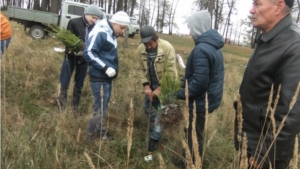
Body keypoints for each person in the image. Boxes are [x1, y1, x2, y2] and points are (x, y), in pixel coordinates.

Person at [234, 0, 300, 168]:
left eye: (258, 4)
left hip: (266, 153)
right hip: (251, 140)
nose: (251, 10)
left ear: (279, 6)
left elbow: (291, 113)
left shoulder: (294, 46)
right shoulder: (268, 38)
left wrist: (264, 153)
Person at [175, 10, 224, 167]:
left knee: (194, 134)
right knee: (193, 131)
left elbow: (200, 83)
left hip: (201, 101)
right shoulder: (213, 45)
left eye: (191, 28)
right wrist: (186, 80)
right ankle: (186, 159)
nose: (189, 32)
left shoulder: (201, 49)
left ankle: (192, 163)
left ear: (197, 27)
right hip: (209, 98)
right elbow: (202, 75)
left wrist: (182, 93)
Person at [83, 11, 130, 140]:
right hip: (99, 77)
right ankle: (91, 137)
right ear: (114, 23)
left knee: (103, 107)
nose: (123, 31)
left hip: (106, 78)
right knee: (99, 108)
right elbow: (88, 53)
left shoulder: (110, 34)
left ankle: (99, 130)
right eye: (122, 27)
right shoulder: (100, 32)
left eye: (125, 28)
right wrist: (105, 68)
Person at [136, 25, 178, 151]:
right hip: (151, 86)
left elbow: (171, 72)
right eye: (146, 44)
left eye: (151, 44)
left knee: (161, 113)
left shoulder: (167, 48)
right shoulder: (140, 49)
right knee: (147, 109)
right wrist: (146, 86)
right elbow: (140, 69)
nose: (148, 47)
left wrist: (160, 87)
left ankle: (154, 139)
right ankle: (157, 127)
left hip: (166, 86)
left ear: (156, 39)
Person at [57, 5, 103, 113]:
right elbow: (67, 41)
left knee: (79, 84)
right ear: (87, 14)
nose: (94, 20)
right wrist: (79, 46)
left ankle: (75, 108)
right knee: (64, 82)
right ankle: (61, 107)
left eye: (96, 19)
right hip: (70, 58)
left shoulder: (95, 27)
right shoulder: (74, 22)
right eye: (93, 17)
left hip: (84, 60)